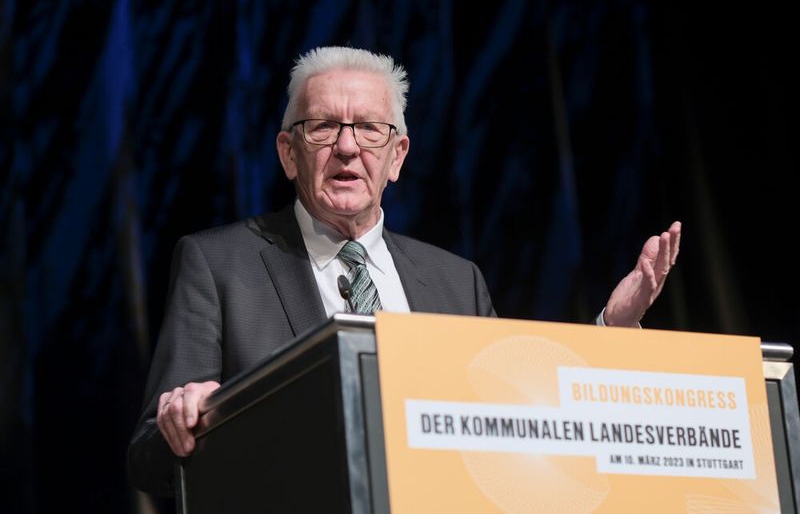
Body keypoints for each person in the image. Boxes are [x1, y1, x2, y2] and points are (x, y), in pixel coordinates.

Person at [128, 46, 681, 496]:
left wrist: (612, 329)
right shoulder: (218, 264)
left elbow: (523, 428)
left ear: (397, 157)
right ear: (288, 153)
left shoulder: (454, 280)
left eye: (370, 129)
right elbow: (150, 460)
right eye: (322, 127)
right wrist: (191, 422)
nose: (347, 147)